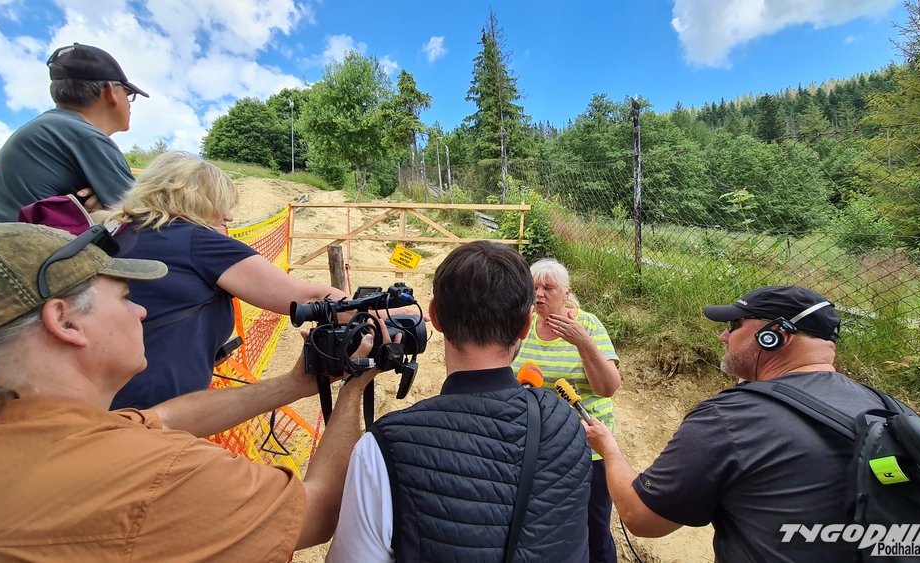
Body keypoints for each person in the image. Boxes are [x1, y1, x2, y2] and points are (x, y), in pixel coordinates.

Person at [0, 222, 385, 560]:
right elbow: (319, 510)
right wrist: (356, 384)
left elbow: (164, 419)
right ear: (66, 322)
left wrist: (291, 385)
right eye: (124, 297)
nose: (141, 311)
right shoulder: (154, 478)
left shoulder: (19, 431)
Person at [327, 241, 593, 562]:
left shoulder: (382, 449)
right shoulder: (568, 426)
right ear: (526, 324)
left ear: (435, 316)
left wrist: (352, 387)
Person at [584, 285, 886, 562]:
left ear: (775, 334)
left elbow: (640, 517)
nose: (723, 336)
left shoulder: (730, 418)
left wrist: (608, 448)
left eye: (735, 325)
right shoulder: (885, 407)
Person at [105, 151, 355, 409]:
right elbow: (309, 298)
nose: (229, 217)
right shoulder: (196, 241)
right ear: (196, 200)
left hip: (107, 399)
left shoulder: (118, 233)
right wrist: (381, 313)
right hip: (157, 409)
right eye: (220, 204)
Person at [510, 257, 620, 562]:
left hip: (587, 448)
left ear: (567, 292)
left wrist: (583, 343)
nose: (539, 294)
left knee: (593, 529)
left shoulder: (588, 324)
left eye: (548, 288)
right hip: (535, 446)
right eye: (534, 287)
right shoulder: (522, 325)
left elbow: (608, 387)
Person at [0, 43, 146, 224]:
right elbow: (144, 219)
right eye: (128, 94)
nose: (129, 104)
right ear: (110, 90)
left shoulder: (47, 128)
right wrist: (115, 210)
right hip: (23, 242)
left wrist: (104, 205)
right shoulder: (84, 137)